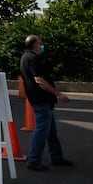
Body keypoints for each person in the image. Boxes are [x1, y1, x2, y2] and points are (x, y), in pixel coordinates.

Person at [20, 35, 72, 171]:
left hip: (38, 99)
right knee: (42, 130)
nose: (42, 45)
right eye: (40, 43)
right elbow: (39, 80)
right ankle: (33, 160)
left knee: (50, 130)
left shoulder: (25, 57)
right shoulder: (33, 59)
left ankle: (56, 157)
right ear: (35, 45)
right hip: (41, 99)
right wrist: (58, 94)